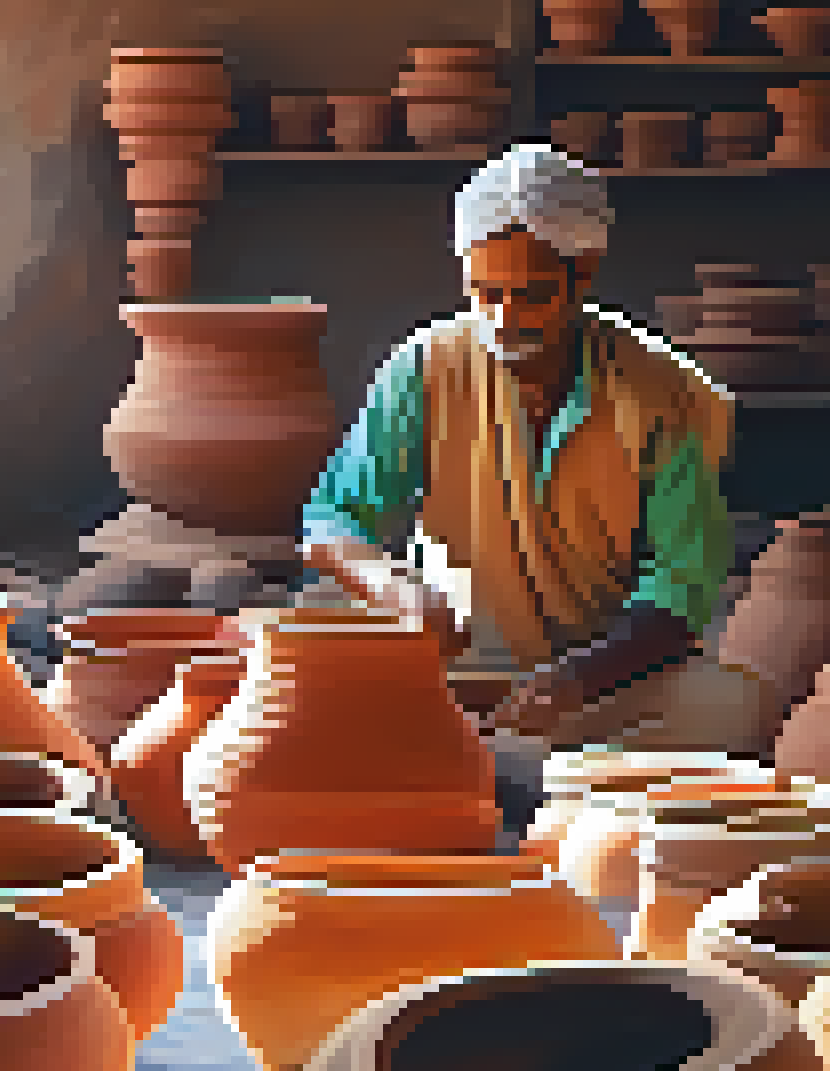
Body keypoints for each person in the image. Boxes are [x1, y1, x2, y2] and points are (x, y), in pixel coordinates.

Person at [299, 143, 782, 763]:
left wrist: (578, 678)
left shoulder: (662, 392)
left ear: (584, 273)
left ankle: (499, 767)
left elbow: (681, 589)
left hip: (602, 678)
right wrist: (393, 587)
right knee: (312, 661)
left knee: (733, 706)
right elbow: (331, 520)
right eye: (484, 292)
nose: (502, 318)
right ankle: (505, 765)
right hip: (459, 669)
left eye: (530, 294)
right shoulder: (424, 370)